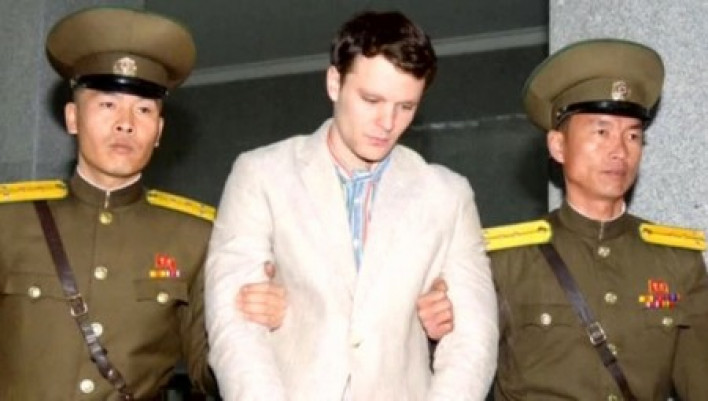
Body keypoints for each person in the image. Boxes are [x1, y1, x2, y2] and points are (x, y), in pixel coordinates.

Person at [205, 10, 498, 401]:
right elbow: (233, 327)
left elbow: (474, 341)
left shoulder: (448, 195)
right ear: (334, 83)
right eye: (371, 99)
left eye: (406, 107)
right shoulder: (261, 174)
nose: (387, 122)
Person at [0, 7, 286, 400]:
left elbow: (213, 372)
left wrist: (264, 329)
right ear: (72, 118)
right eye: (107, 104)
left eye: (144, 110)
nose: (126, 123)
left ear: (159, 131)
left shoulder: (196, 239)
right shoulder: (10, 221)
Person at [483, 39, 708, 400]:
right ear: (558, 146)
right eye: (601, 132)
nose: (619, 151)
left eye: (633, 135)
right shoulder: (506, 261)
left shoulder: (677, 261)